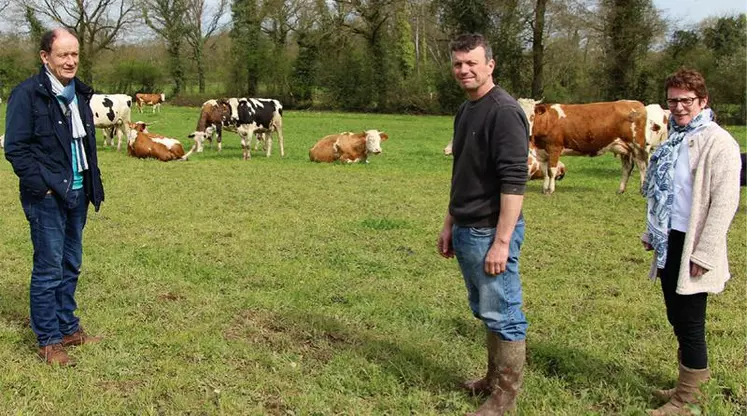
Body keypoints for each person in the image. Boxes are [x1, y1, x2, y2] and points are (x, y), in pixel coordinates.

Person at [437, 33, 529, 416]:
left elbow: (514, 181)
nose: (464, 70)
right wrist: (449, 222)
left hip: (491, 230)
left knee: (504, 312)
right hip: (466, 226)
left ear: (490, 64)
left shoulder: (504, 112)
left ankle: (504, 399)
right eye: (458, 63)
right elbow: (463, 174)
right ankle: (492, 380)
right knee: (486, 308)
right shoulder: (466, 110)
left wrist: (502, 242)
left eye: (472, 62)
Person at [641, 68, 740, 415]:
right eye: (673, 101)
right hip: (670, 239)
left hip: (694, 244)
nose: (679, 107)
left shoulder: (719, 142)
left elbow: (725, 203)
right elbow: (663, 194)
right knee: (675, 315)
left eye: (686, 101)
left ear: (703, 100)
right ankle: (686, 384)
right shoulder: (674, 139)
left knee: (691, 320)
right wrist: (652, 232)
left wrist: (706, 252)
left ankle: (688, 398)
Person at [4, 28, 105, 366]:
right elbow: (15, 148)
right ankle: (48, 341)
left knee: (71, 264)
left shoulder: (80, 94)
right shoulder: (28, 95)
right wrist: (42, 186)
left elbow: (85, 147)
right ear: (45, 57)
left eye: (74, 54)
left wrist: (91, 186)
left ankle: (68, 328)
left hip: (78, 191)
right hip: (47, 197)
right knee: (48, 269)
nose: (70, 60)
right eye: (63, 54)